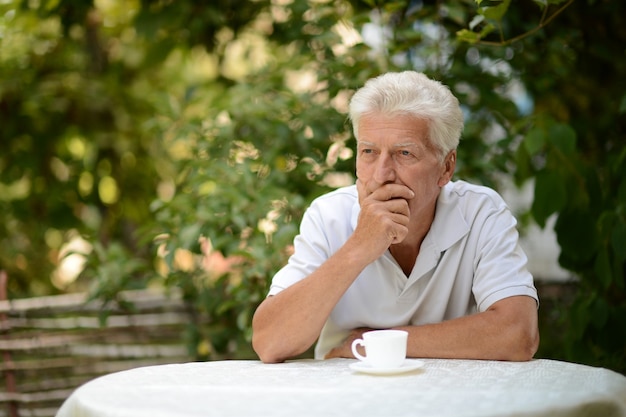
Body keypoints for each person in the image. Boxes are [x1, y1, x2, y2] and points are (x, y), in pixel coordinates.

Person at [252, 71, 539, 364]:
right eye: (369, 152)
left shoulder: (481, 212)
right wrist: (359, 247)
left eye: (404, 153)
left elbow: (517, 335)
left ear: (446, 167)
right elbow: (269, 342)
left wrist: (371, 343)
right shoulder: (329, 216)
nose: (381, 175)